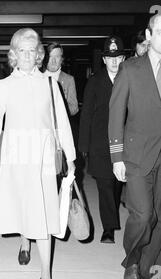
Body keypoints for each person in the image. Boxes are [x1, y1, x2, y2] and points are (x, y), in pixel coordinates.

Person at [0, 28, 76, 279]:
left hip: (45, 160)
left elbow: (63, 124)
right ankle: (25, 240)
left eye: (31, 51)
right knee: (25, 206)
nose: (26, 55)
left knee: (44, 218)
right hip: (17, 158)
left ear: (38, 55)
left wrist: (69, 157)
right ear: (13, 54)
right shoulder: (5, 85)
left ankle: (46, 278)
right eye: (20, 50)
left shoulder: (50, 84)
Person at [108, 13, 161, 279]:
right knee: (143, 215)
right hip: (138, 155)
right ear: (149, 35)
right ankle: (132, 261)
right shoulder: (131, 69)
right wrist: (117, 157)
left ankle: (151, 270)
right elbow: (116, 113)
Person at [78, 36, 125, 244]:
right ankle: (108, 229)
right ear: (104, 59)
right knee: (105, 185)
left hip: (124, 144)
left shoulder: (129, 78)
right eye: (109, 57)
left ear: (123, 58)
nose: (113, 61)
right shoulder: (95, 81)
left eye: (117, 57)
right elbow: (86, 114)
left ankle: (110, 217)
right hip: (99, 144)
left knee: (116, 186)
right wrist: (83, 146)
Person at [43, 42, 79, 117]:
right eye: (50, 56)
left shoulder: (69, 80)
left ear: (61, 59)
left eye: (57, 57)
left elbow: (74, 109)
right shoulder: (37, 77)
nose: (53, 61)